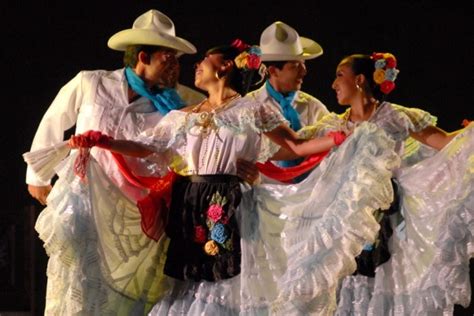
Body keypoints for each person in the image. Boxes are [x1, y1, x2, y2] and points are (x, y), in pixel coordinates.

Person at [69, 40, 401, 315]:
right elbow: (149, 147)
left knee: (223, 280)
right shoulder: (183, 115)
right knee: (187, 283)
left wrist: (343, 137)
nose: (196, 65)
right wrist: (104, 141)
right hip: (190, 202)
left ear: (225, 66)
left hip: (226, 200)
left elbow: (296, 146)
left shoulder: (250, 110)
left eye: (204, 60)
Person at [26, 9, 209, 315]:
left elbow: (213, 124)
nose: (176, 65)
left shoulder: (184, 101)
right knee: (81, 278)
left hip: (140, 212)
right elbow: (54, 119)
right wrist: (37, 176)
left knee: (135, 289)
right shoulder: (92, 83)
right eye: (168, 56)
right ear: (143, 56)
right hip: (88, 199)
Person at [299, 52, 472, 315]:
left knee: (384, 282)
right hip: (343, 218)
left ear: (359, 79)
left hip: (386, 217)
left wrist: (469, 135)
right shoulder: (335, 124)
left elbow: (445, 142)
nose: (333, 84)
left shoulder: (395, 116)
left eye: (339, 76)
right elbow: (294, 146)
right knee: (345, 285)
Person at [247, 22, 329, 179]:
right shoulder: (249, 107)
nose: (304, 72)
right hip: (264, 193)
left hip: (308, 195)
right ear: (273, 71)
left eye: (303, 64)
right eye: (295, 66)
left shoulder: (313, 107)